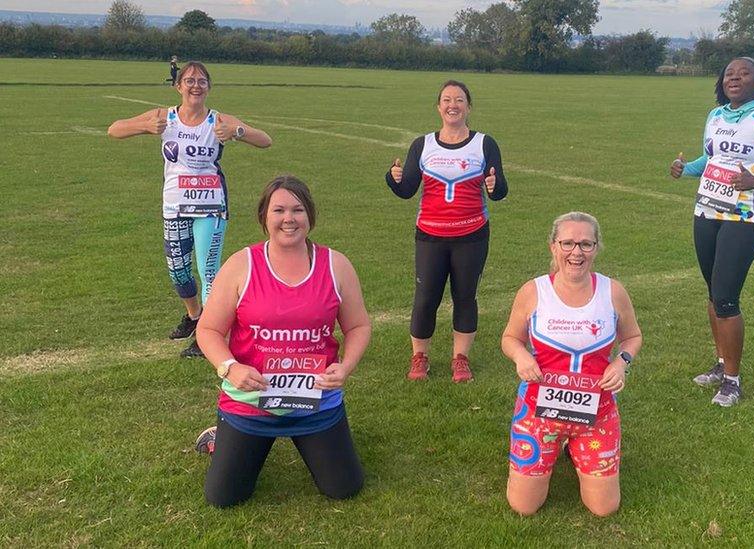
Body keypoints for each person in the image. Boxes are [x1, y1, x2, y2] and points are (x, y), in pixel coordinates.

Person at [196, 175, 370, 507]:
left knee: (344, 487)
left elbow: (359, 325)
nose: (288, 219)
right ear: (264, 217)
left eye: (297, 210)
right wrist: (230, 368)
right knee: (224, 497)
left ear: (310, 217)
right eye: (278, 210)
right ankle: (221, 438)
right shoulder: (240, 265)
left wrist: (345, 367)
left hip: (315, 403)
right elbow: (208, 330)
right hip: (250, 403)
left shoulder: (336, 265)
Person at [108, 61, 272, 358]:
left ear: (209, 87)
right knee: (178, 273)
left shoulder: (217, 120)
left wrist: (235, 131)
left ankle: (207, 334)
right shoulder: (164, 117)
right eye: (189, 80)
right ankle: (194, 316)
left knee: (209, 271)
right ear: (178, 86)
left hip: (210, 207)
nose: (196, 85)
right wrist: (144, 126)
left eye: (202, 81)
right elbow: (114, 130)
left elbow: (264, 140)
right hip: (174, 205)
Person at [669, 56, 754, 406]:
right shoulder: (716, 116)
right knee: (713, 294)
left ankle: (732, 381)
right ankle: (721, 362)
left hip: (744, 217)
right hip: (707, 210)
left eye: (744, 74)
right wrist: (685, 167)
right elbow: (711, 159)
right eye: (729, 74)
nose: (735, 78)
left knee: (726, 298)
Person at [501, 212, 642, 516]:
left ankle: (575, 448)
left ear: (596, 247)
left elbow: (632, 337)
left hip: (597, 412)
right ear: (553, 246)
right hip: (538, 411)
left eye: (585, 244)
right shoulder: (533, 291)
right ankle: (556, 447)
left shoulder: (613, 291)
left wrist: (621, 362)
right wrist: (521, 356)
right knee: (524, 506)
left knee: (603, 508)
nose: (576, 252)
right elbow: (510, 337)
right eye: (567, 243)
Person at [385, 79, 508, 382]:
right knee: (426, 298)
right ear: (438, 106)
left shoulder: (485, 143)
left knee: (465, 297)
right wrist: (393, 178)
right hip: (430, 236)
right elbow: (407, 190)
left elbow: (499, 190)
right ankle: (419, 357)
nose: (453, 105)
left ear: (469, 106)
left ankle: (460, 359)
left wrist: (495, 186)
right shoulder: (422, 144)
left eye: (459, 100)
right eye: (447, 100)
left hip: (472, 235)